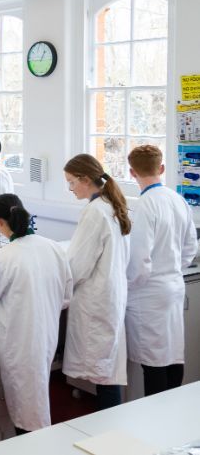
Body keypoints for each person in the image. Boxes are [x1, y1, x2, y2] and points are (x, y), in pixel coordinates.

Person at [0, 194, 72, 434]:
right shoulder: (53, 247)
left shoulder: (5, 256)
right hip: (46, 333)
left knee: (26, 405)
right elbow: (67, 296)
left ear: (0, 223)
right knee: (35, 392)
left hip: (20, 339)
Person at [126, 145, 198, 396]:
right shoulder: (177, 199)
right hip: (174, 286)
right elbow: (190, 247)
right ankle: (172, 409)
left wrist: (130, 285)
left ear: (132, 172)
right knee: (173, 353)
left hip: (149, 293)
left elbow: (139, 258)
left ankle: (155, 414)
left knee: (153, 360)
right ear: (162, 168)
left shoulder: (145, 205)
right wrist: (172, 269)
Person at [63, 153, 131, 410]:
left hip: (97, 300)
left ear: (84, 179)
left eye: (71, 182)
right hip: (109, 296)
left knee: (105, 374)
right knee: (107, 369)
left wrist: (61, 282)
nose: (70, 189)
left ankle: (106, 431)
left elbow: (78, 264)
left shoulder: (95, 211)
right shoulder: (111, 205)